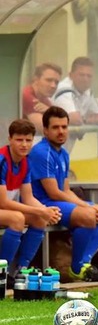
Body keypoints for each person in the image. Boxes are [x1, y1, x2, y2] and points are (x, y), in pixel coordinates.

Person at [29, 106, 98, 281]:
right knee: (88, 215)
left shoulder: (63, 153)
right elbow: (53, 193)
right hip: (44, 204)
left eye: (64, 127)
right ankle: (77, 268)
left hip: (60, 201)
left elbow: (66, 189)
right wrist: (84, 206)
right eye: (55, 127)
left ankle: (84, 261)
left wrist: (85, 205)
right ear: (45, 130)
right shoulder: (41, 152)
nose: (61, 132)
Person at [0, 119, 62, 277]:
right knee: (17, 219)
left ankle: (21, 271)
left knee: (39, 219)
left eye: (28, 140)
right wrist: (40, 210)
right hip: (3, 208)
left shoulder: (25, 163)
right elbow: (4, 202)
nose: (24, 145)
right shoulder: (2, 160)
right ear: (10, 140)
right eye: (19, 140)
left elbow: (28, 198)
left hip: (4, 210)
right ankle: (3, 273)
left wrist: (46, 211)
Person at [53, 57, 98, 154]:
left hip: (62, 150)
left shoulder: (87, 92)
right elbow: (75, 119)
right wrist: (84, 121)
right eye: (81, 75)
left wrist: (83, 121)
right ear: (71, 75)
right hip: (45, 149)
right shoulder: (63, 88)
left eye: (89, 76)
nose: (85, 79)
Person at [22, 63, 62, 136]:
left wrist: (50, 111)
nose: (53, 85)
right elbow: (45, 128)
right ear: (36, 79)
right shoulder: (27, 95)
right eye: (49, 80)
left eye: (56, 82)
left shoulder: (44, 99)